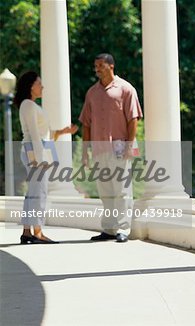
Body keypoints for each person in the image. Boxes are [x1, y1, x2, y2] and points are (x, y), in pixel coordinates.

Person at [79, 53, 143, 243]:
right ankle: (108, 229)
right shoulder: (92, 93)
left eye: (100, 65)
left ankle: (123, 229)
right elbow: (86, 125)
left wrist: (130, 146)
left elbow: (133, 120)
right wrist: (85, 152)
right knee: (105, 190)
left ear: (111, 66)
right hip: (99, 149)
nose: (97, 68)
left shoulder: (126, 89)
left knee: (122, 189)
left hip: (120, 146)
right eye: (95, 65)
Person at [15, 71, 78, 244]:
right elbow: (34, 134)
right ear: (31, 86)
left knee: (33, 192)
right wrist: (40, 158)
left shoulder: (31, 105)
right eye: (39, 83)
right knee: (39, 192)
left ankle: (27, 232)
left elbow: (43, 132)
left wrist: (63, 131)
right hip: (34, 151)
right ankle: (37, 232)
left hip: (36, 149)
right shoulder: (28, 104)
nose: (42, 87)